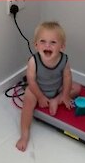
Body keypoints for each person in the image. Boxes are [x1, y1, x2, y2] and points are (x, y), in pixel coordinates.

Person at [16, 21, 81, 152]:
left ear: (62, 47)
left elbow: (67, 78)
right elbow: (31, 81)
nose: (47, 45)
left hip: (57, 89)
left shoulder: (64, 60)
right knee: (28, 99)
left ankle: (56, 100)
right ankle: (24, 134)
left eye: (53, 42)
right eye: (43, 41)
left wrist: (65, 95)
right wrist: (40, 97)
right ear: (36, 45)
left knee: (77, 87)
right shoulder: (33, 61)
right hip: (37, 90)